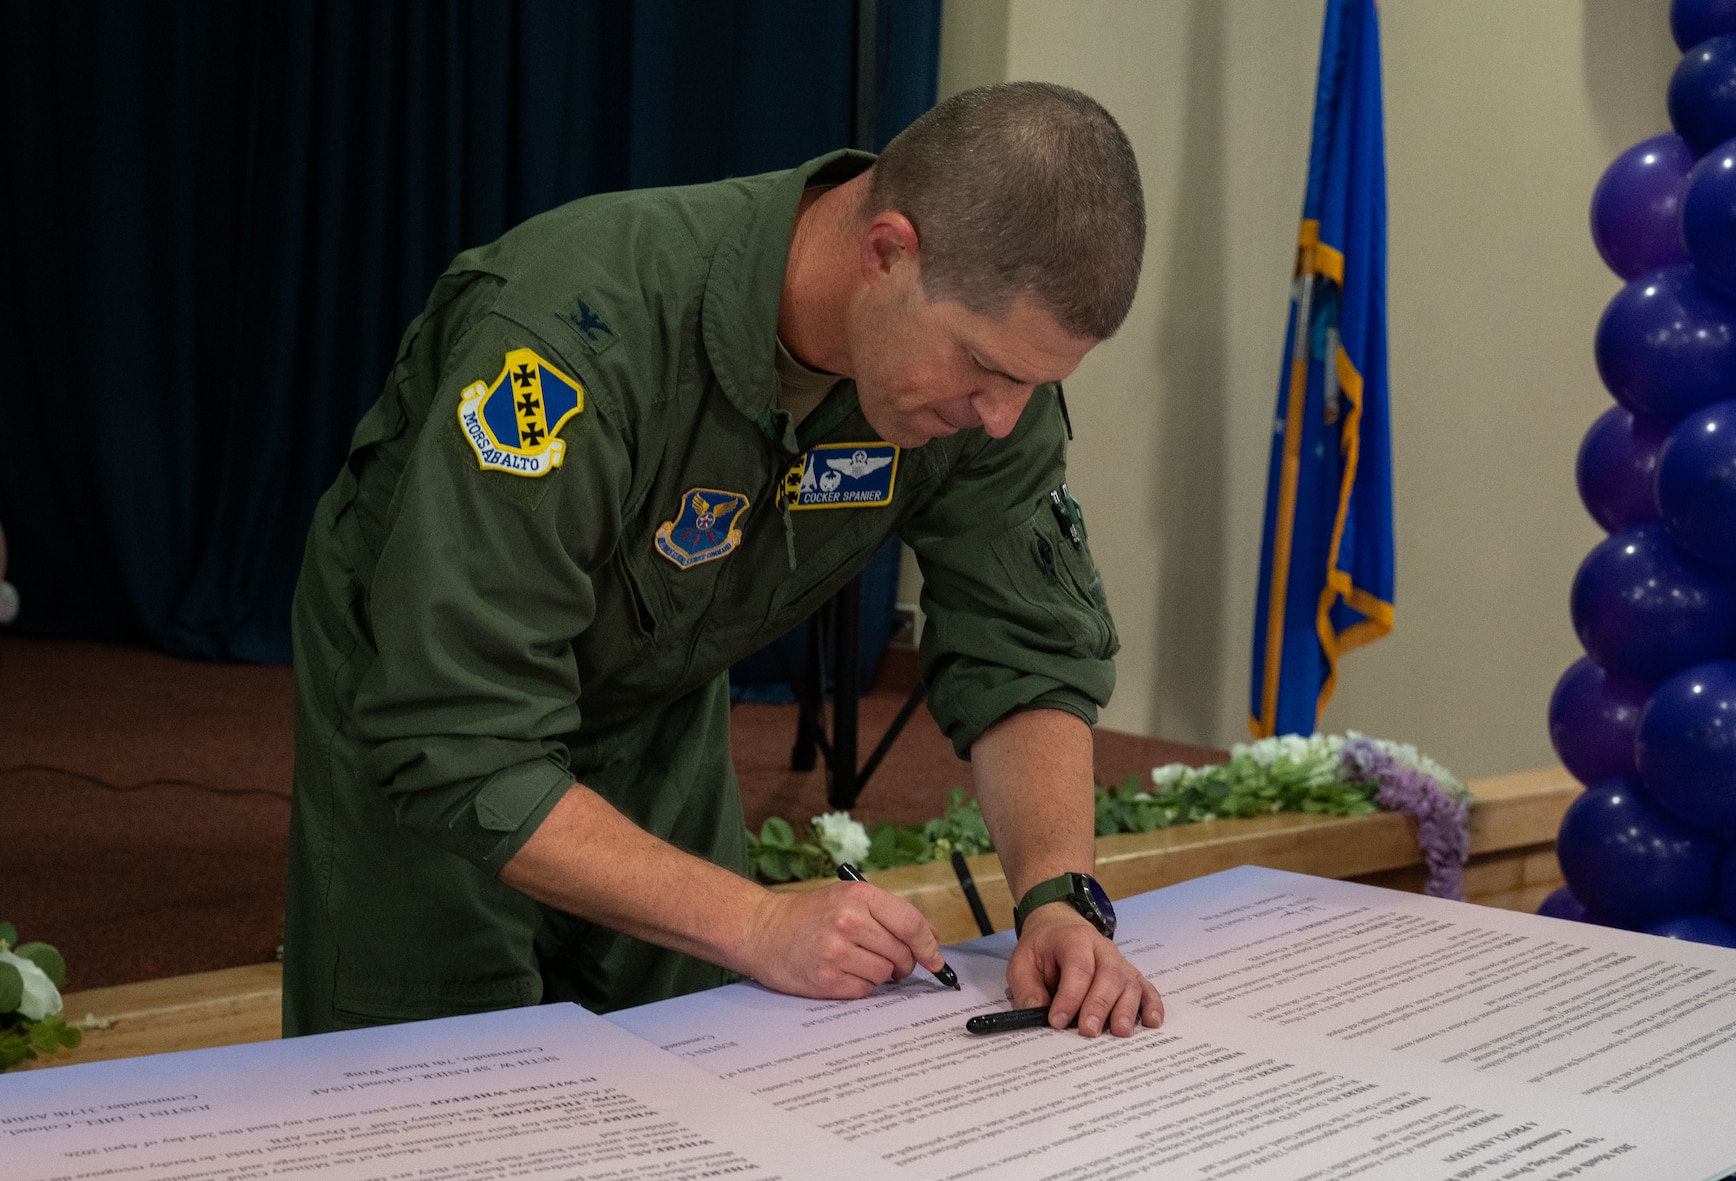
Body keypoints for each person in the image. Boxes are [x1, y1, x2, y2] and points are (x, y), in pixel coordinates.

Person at [284, 81, 1164, 1042]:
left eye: (1033, 386)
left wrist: (1057, 895)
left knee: (697, 1056)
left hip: (658, 696)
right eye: (987, 372)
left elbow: (1026, 644)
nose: (1001, 416)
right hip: (427, 711)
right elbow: (460, 735)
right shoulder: (574, 336)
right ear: (887, 252)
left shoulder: (984, 370)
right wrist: (753, 918)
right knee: (429, 1082)